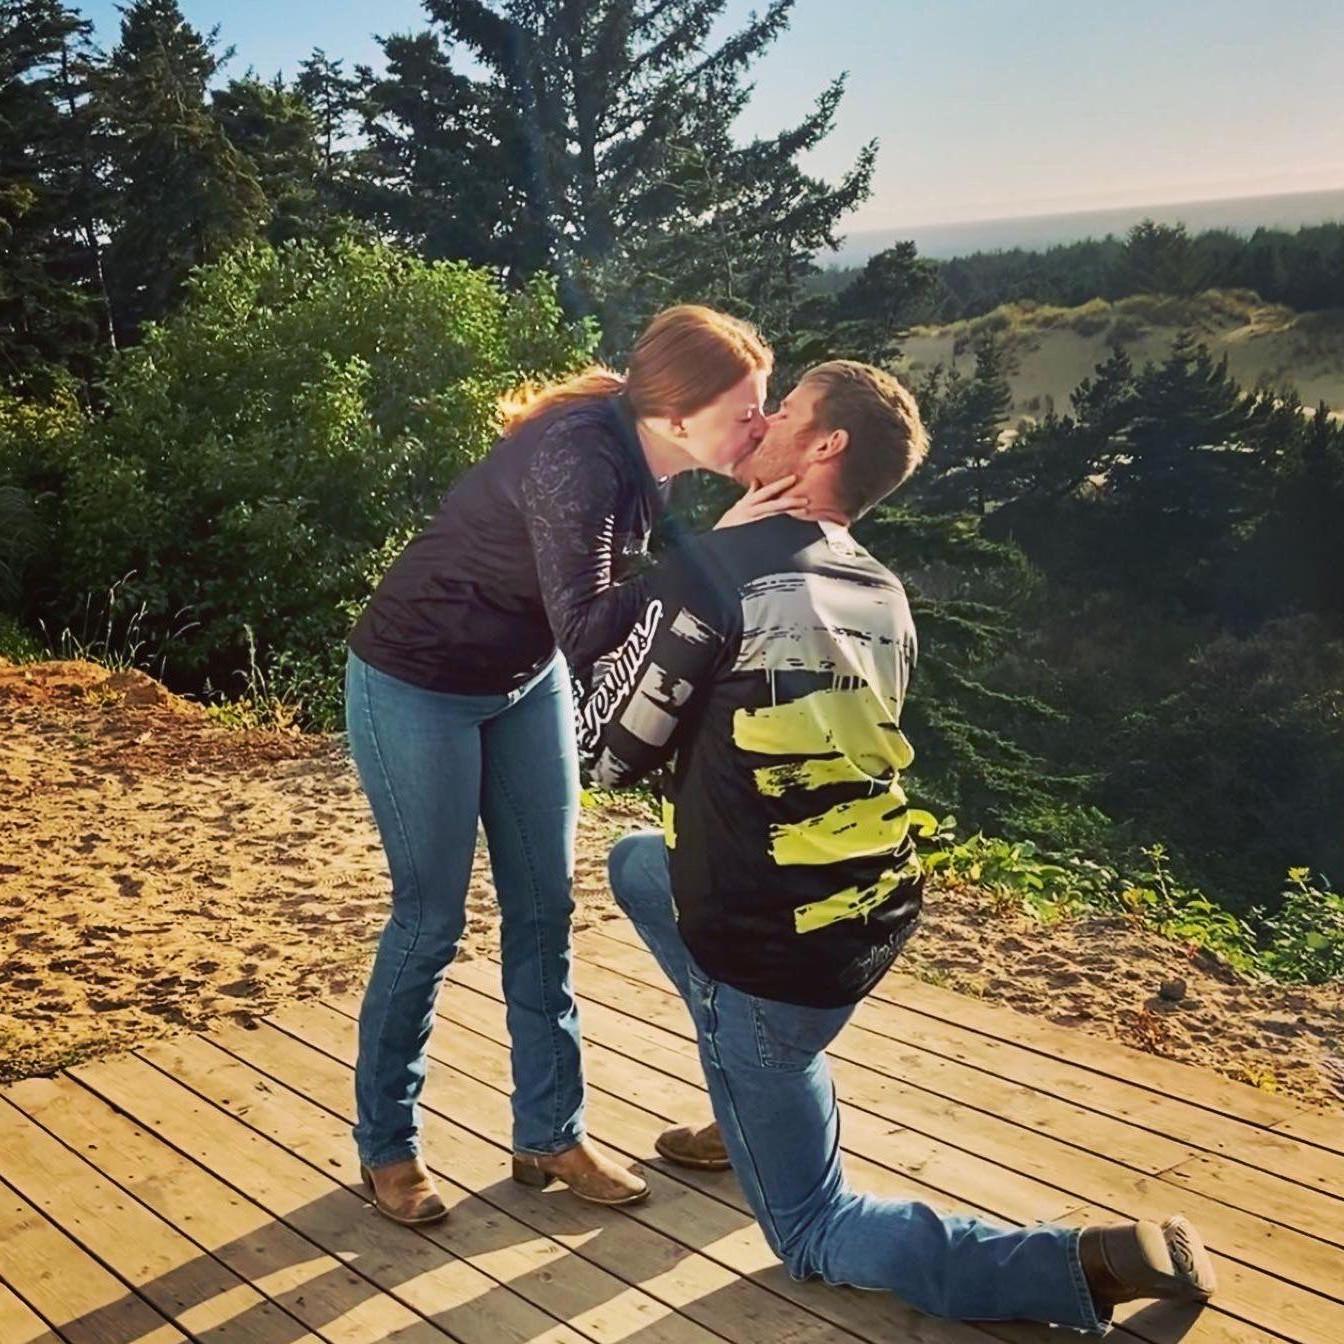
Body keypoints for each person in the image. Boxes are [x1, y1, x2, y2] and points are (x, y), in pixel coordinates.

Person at [579, 360, 1217, 1333]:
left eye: (783, 411)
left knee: (812, 1228)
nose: (761, 423)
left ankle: (1079, 1263)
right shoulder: (879, 586)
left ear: (826, 444)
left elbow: (605, 754)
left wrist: (690, 566)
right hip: (872, 907)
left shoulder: (724, 570)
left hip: (769, 944)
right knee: (636, 865)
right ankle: (750, 1088)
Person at [344, 305, 803, 1226]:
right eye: (747, 409)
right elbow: (595, 631)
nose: (762, 422)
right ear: (677, 418)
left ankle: (550, 1133)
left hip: (521, 681)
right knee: (432, 921)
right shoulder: (581, 461)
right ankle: (388, 1147)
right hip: (416, 682)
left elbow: (595, 615)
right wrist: (717, 554)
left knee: (545, 910)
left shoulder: (646, 461)